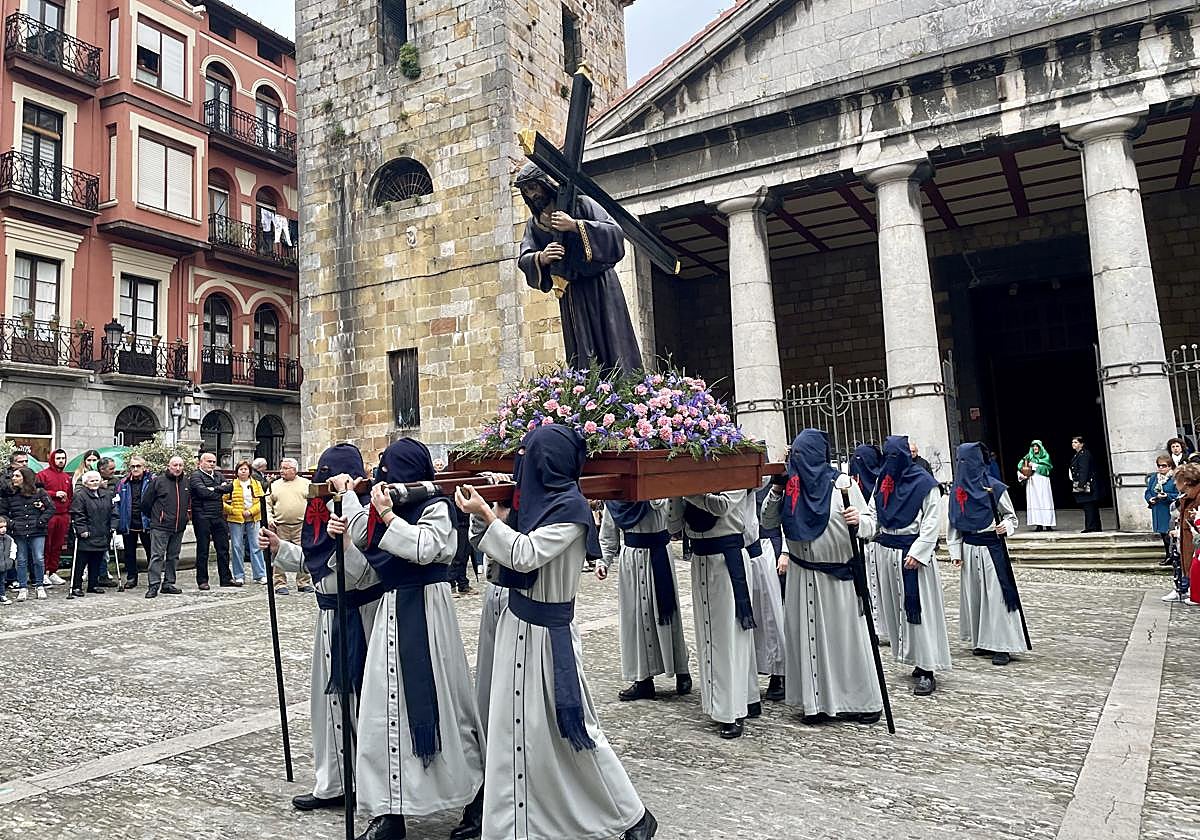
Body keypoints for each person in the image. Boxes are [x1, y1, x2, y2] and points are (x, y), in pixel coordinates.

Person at [457, 424, 656, 840]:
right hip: (518, 629)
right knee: (518, 730)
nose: (522, 465)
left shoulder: (570, 509)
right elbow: (500, 553)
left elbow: (524, 555)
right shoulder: (538, 504)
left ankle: (633, 815)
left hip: (548, 637)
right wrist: (496, 510)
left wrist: (487, 516)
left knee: (575, 729)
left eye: (529, 457)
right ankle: (514, 823)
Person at [346, 438, 484, 840]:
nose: (382, 476)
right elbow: (363, 540)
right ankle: (390, 810)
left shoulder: (436, 506)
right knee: (382, 710)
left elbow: (423, 548)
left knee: (446, 706)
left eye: (388, 468)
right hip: (392, 608)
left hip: (427, 611)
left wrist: (388, 515)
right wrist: (349, 501)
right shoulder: (387, 506)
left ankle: (475, 795)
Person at [259, 443, 384, 814]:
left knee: (364, 704)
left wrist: (345, 532)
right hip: (328, 618)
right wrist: (280, 546)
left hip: (362, 618)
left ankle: (368, 783)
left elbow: (362, 570)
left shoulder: (365, 512)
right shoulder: (317, 512)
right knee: (327, 704)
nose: (326, 486)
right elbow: (313, 563)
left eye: (334, 479)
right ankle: (333, 782)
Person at [761, 429, 883, 725]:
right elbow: (767, 521)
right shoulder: (790, 488)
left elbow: (871, 521)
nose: (796, 461)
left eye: (802, 455)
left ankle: (862, 701)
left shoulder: (842, 485)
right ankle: (814, 703)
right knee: (808, 639)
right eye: (794, 456)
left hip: (836, 577)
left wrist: (860, 521)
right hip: (802, 575)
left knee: (845, 641)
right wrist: (775, 492)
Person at [514, 162, 642, 374]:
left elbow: (614, 233)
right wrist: (542, 257)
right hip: (571, 292)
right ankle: (588, 392)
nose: (532, 194)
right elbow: (525, 257)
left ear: (545, 184)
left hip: (601, 285)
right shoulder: (535, 224)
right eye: (527, 191)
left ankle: (625, 387)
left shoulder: (581, 204)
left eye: (534, 187)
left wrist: (575, 225)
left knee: (612, 339)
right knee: (581, 349)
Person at [858, 435, 951, 696]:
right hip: (886, 551)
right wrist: (859, 525)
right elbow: (873, 514)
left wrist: (920, 551)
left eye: (894, 457)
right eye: (886, 457)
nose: (891, 463)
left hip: (912, 556)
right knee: (897, 611)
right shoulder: (883, 481)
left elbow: (931, 522)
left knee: (917, 610)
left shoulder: (925, 484)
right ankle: (914, 659)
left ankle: (928, 667)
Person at [668, 485, 759, 739]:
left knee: (730, 638)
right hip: (701, 558)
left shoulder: (734, 473)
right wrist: (673, 491)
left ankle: (733, 709)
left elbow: (721, 506)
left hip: (727, 559)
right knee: (708, 635)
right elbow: (673, 525)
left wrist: (686, 489)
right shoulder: (689, 484)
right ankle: (721, 702)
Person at [597, 499, 691, 702]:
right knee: (635, 621)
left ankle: (681, 669)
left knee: (666, 614)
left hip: (659, 554)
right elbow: (608, 531)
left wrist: (651, 491)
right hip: (631, 558)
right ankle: (643, 680)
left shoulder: (656, 487)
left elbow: (667, 512)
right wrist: (604, 560)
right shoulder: (616, 498)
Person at [947, 443, 1027, 665]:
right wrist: (955, 551)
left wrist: (1006, 527)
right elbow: (954, 523)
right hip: (969, 547)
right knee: (975, 597)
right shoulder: (957, 491)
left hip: (991, 548)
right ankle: (982, 640)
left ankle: (1003, 645)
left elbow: (1011, 516)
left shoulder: (994, 488)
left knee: (996, 597)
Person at [740, 487, 786, 704]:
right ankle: (746, 674)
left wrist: (785, 551)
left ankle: (779, 674)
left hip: (768, 546)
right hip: (740, 545)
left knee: (771, 614)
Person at [850, 443, 889, 645]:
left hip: (879, 541)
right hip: (859, 542)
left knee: (884, 588)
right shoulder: (851, 482)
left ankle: (886, 628)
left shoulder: (883, 481)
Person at [141, 456, 189, 599]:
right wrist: (157, 517)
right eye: (175, 465)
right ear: (169, 466)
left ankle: (168, 583)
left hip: (178, 526)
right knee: (157, 556)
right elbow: (145, 503)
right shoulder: (158, 481)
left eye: (180, 465)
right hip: (160, 526)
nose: (178, 468)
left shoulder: (186, 482)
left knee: (173, 556)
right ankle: (153, 585)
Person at [3, 466, 53, 601]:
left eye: (17, 476)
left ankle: (39, 585)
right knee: (21, 560)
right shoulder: (10, 495)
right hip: (19, 531)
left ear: (26, 478)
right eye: (13, 476)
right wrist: (12, 523)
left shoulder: (40, 492)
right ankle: (23, 587)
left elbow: (50, 508)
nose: (13, 478)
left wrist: (41, 522)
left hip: (37, 531)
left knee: (38, 558)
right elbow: (3, 513)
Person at [267, 457, 314, 595]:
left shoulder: (306, 484)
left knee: (304, 552)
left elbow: (313, 503)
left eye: (286, 468)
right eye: (282, 468)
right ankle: (279, 583)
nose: (282, 471)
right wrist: (270, 519)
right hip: (280, 525)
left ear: (294, 470)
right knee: (278, 553)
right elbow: (268, 504)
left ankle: (303, 582)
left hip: (301, 525)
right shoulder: (274, 485)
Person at [68, 470, 118, 597]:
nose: (95, 483)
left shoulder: (107, 494)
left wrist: (113, 526)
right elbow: (77, 514)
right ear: (85, 483)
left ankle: (93, 584)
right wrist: (82, 529)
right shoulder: (80, 496)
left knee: (97, 560)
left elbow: (114, 512)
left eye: (97, 480)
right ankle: (76, 586)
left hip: (102, 533)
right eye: (92, 480)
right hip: (87, 534)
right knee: (81, 561)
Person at [189, 451, 234, 589]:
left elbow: (229, 487)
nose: (212, 464)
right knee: (203, 549)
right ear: (201, 462)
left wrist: (214, 489)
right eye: (209, 461)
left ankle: (226, 579)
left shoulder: (219, 475)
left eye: (214, 462)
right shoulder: (196, 476)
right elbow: (202, 492)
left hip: (218, 515)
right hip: (202, 516)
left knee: (223, 548)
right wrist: (218, 490)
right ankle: (202, 580)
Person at [224, 460, 266, 585]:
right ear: (236, 472)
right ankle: (239, 575)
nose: (243, 471)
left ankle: (260, 574)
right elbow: (222, 501)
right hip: (236, 518)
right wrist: (232, 510)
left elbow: (261, 501)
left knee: (256, 546)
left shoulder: (256, 484)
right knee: (237, 546)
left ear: (249, 471)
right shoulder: (231, 485)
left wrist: (252, 511)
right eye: (241, 469)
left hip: (253, 518)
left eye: (245, 469)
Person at [1166, 462, 1200, 605]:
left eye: (1177, 480)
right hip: (1188, 543)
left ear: (1185, 481)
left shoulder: (1197, 497)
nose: (1174, 483)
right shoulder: (1187, 497)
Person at [115, 457, 153, 589]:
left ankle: (153, 578)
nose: (135, 469)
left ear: (144, 467)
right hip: (129, 521)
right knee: (129, 553)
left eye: (138, 466)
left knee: (151, 551)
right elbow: (117, 502)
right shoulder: (123, 483)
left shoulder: (152, 481)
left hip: (146, 522)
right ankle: (132, 577)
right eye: (133, 466)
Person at [36, 448, 71, 586]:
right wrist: (54, 494)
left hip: (63, 515)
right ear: (52, 459)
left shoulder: (66, 477)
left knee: (58, 545)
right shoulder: (42, 475)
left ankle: (53, 571)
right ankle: (43, 572)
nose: (61, 461)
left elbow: (71, 495)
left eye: (63, 458)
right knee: (46, 545)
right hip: (48, 515)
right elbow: (38, 492)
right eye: (58, 458)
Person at [1146, 454, 1179, 566]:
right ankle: (1168, 555)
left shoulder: (1174, 478)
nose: (1161, 468)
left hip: (1168, 509)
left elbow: (1178, 494)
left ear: (1170, 466)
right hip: (1157, 508)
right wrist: (1150, 499)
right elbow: (1148, 491)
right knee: (1163, 534)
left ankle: (1172, 556)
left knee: (1169, 534)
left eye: (1164, 466)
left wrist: (1167, 496)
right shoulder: (1154, 477)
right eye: (1159, 466)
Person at [1016, 440, 1056, 532]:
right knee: (1035, 502)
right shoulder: (1028, 456)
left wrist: (1034, 465)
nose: (1035, 448)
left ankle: (1048, 524)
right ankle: (1039, 524)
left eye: (1037, 446)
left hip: (1042, 481)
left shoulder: (1045, 456)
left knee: (1045, 501)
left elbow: (1048, 469)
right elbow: (1020, 466)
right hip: (1033, 482)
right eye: (1033, 446)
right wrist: (1021, 474)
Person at [1070, 436, 1103, 533]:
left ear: (1081, 444)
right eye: (1072, 442)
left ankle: (1091, 527)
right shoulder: (1078, 454)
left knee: (1089, 506)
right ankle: (1095, 526)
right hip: (1085, 483)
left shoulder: (1084, 454)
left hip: (1087, 484)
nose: (1073, 444)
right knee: (1090, 505)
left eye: (1076, 442)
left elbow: (1084, 470)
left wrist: (1081, 484)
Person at [0, 517, 13, 604]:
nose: (3, 529)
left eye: (5, 527)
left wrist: (10, 560)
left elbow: (13, 549)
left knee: (2, 581)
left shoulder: (8, 539)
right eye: (0, 527)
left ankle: (2, 595)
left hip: (4, 565)